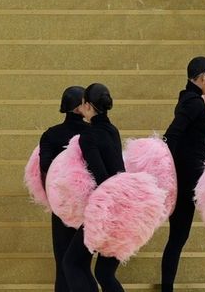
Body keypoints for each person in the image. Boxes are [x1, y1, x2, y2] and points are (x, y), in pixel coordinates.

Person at [161, 56, 205, 292]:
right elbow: (172, 134)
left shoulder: (190, 100)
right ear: (203, 77)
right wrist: (166, 168)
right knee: (178, 237)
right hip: (189, 179)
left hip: (191, 175)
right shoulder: (193, 103)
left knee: (177, 237)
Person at [62, 83, 125, 292]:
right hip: (123, 207)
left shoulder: (88, 136)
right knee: (105, 274)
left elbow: (101, 178)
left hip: (105, 209)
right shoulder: (112, 130)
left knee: (72, 263)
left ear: (87, 106)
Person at [38, 86, 88, 292]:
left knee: (62, 263)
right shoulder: (92, 133)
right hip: (87, 206)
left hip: (61, 206)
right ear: (78, 107)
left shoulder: (51, 134)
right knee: (82, 265)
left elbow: (45, 167)